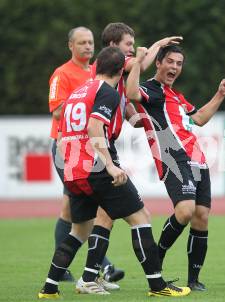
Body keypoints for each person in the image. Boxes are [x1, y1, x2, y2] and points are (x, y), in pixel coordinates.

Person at [38, 46, 191, 299]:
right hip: (97, 168)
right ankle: (157, 285)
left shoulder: (78, 92)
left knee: (79, 231)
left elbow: (63, 133)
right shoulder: (106, 92)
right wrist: (109, 164)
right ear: (121, 71)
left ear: (97, 66)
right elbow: (95, 126)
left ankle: (49, 288)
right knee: (141, 217)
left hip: (73, 170)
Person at [74, 22, 182, 291]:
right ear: (113, 48)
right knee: (138, 215)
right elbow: (141, 66)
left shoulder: (113, 76)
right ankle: (155, 284)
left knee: (104, 216)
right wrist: (158, 46)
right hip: (101, 149)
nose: (132, 51)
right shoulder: (117, 68)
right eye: (128, 46)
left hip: (98, 148)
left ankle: (88, 277)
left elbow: (124, 99)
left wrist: (134, 116)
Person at [126, 44, 225, 291]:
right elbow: (132, 93)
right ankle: (157, 258)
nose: (175, 67)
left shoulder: (176, 95)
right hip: (174, 158)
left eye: (179, 63)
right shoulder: (151, 90)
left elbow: (199, 119)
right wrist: (137, 61)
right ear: (159, 63)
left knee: (201, 217)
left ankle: (193, 280)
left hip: (197, 159)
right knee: (185, 211)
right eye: (170, 62)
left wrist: (220, 95)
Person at [48, 26, 123, 284]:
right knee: (78, 205)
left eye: (90, 42)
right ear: (71, 46)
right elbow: (57, 110)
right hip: (66, 146)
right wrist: (85, 101)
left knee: (72, 209)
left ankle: (70, 272)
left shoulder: (97, 72)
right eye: (81, 43)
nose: (88, 47)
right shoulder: (61, 74)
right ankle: (102, 267)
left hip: (90, 145)